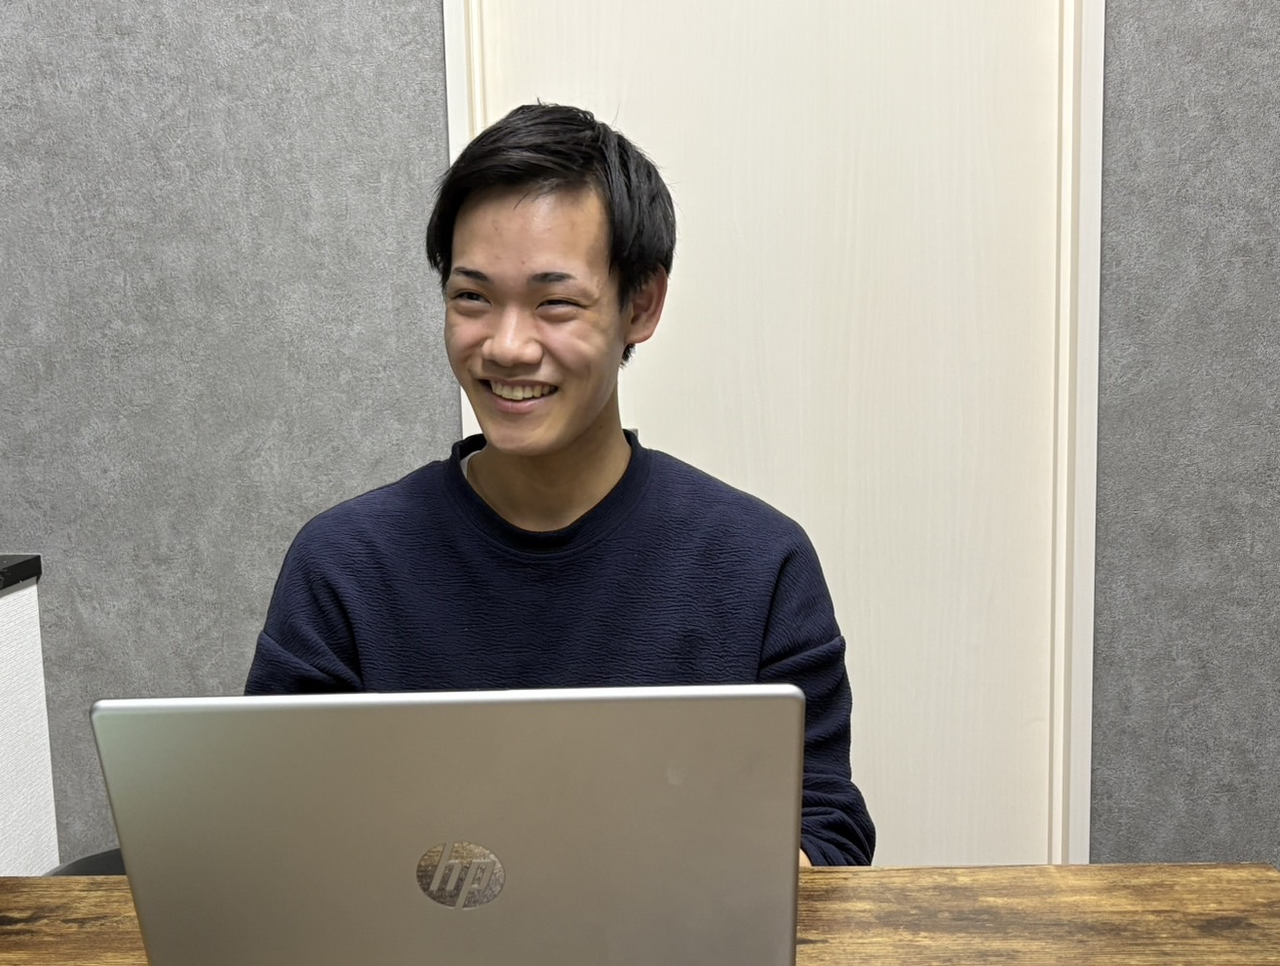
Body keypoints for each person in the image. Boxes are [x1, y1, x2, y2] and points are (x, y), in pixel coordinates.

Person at [245, 103, 875, 866]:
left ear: (641, 305)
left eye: (555, 303)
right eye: (472, 298)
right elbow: (275, 835)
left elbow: (826, 832)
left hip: (675, 947)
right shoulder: (344, 566)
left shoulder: (757, 565)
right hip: (415, 947)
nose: (507, 346)